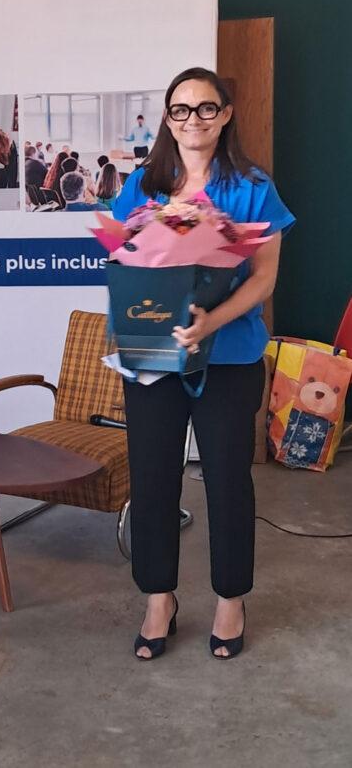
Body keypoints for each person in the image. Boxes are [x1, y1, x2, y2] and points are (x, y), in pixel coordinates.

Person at [112, 67, 295, 661]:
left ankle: (230, 599)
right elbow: (123, 259)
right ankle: (158, 598)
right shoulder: (143, 185)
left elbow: (263, 278)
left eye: (206, 108)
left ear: (226, 114)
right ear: (168, 119)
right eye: (181, 109)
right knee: (153, 477)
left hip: (231, 356)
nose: (194, 119)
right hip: (154, 357)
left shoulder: (252, 188)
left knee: (227, 480)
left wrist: (210, 320)